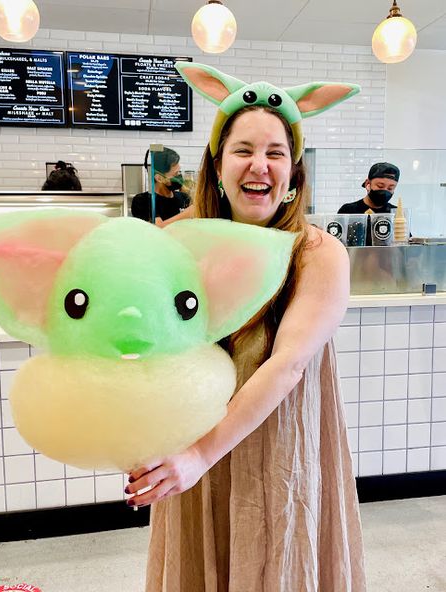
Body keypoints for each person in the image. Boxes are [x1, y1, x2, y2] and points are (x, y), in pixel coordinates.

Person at [126, 63, 366, 591]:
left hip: (276, 442)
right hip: (193, 447)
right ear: (217, 164)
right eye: (243, 149)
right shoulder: (177, 240)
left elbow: (288, 366)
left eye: (275, 152)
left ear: (293, 171)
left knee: (278, 560)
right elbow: (141, 346)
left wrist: (197, 455)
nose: (259, 165)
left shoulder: (316, 252)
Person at [131, 147, 191, 222]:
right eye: (175, 174)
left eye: (179, 172)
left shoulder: (184, 198)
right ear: (159, 178)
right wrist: (187, 213)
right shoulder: (143, 201)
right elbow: (158, 228)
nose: (179, 176)